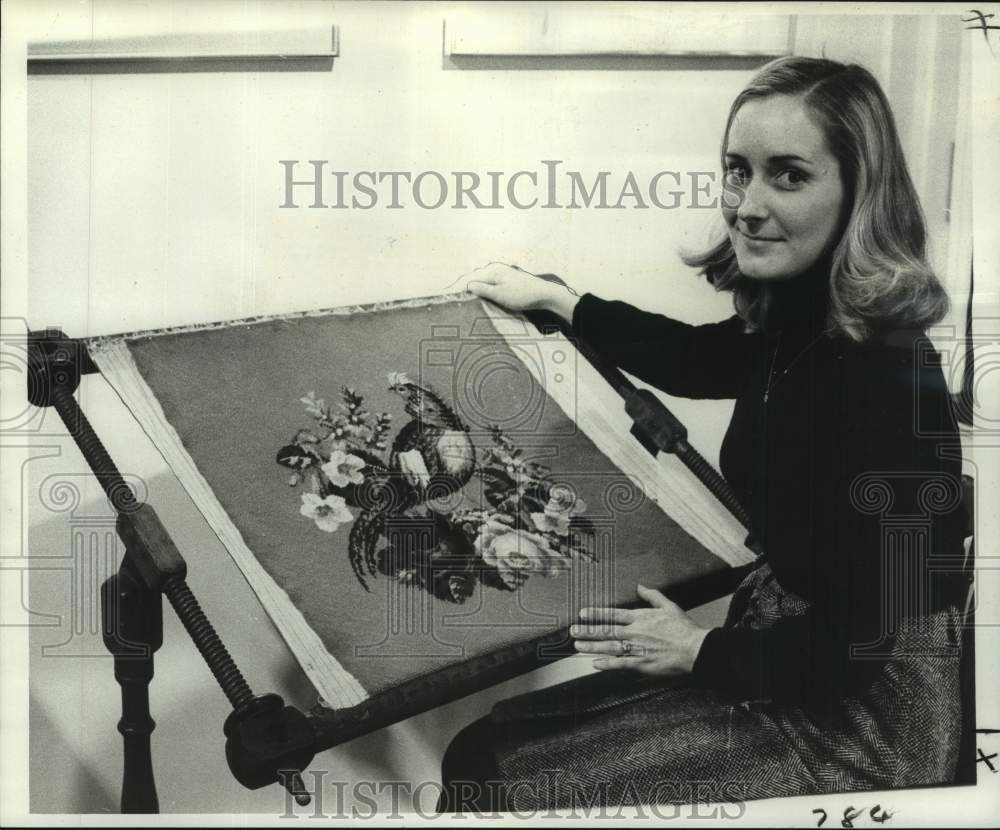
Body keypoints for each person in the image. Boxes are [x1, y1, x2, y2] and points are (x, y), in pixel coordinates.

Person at [437, 56, 969, 812]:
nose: (745, 205)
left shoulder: (883, 375)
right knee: (479, 752)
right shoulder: (805, 316)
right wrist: (563, 301)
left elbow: (856, 651)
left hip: (864, 721)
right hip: (794, 648)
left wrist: (695, 649)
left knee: (491, 772)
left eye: (787, 175)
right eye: (736, 171)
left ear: (859, 193)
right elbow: (693, 356)